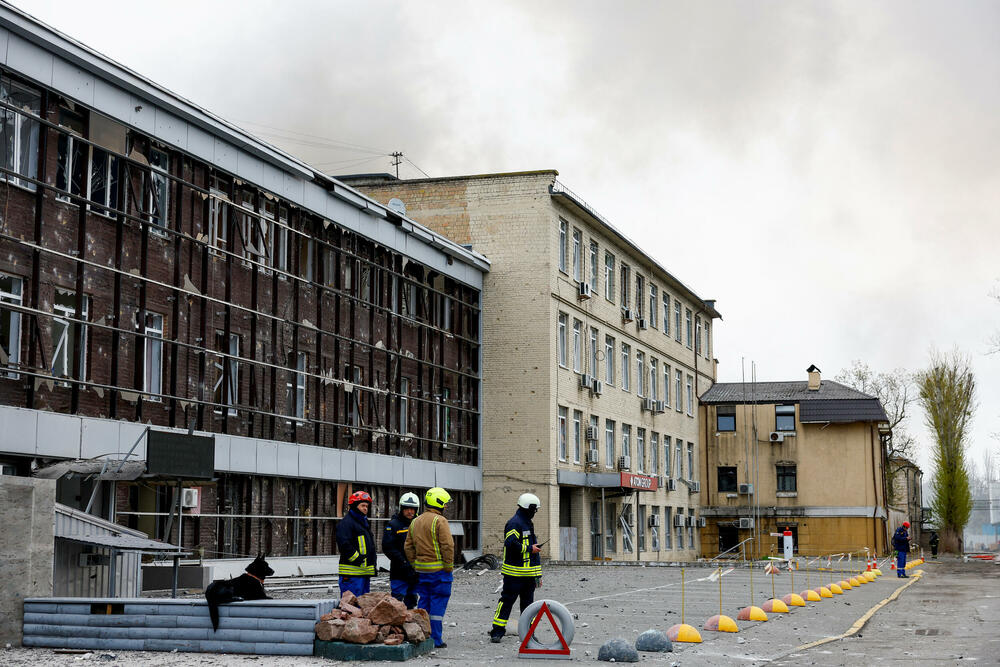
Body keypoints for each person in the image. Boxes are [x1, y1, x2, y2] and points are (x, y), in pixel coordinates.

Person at [404, 487, 454, 648]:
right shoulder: (440, 521)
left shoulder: (415, 521)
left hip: (421, 572)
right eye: (445, 504)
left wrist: (415, 564)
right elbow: (447, 545)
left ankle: (423, 635)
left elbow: (408, 547)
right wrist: (448, 566)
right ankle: (436, 639)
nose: (446, 507)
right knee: (437, 606)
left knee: (424, 604)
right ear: (438, 503)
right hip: (439, 573)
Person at [489, 492, 542, 643]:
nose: (535, 513)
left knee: (528, 606)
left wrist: (538, 576)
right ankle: (497, 631)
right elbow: (510, 544)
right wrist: (529, 549)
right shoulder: (515, 523)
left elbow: (533, 555)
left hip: (529, 575)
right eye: (534, 510)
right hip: (514, 575)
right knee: (506, 603)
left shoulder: (526, 522)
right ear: (528, 508)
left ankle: (529, 634)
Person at [383, 492, 421, 608]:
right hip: (399, 572)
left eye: (412, 509)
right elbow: (388, 548)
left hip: (415, 572)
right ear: (401, 508)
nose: (410, 512)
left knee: (412, 601)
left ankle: (409, 625)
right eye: (407, 509)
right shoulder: (393, 525)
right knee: (396, 604)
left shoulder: (419, 524)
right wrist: (404, 563)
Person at [337, 490, 376, 597]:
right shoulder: (347, 523)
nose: (365, 509)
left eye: (367, 506)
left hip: (363, 573)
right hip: (351, 574)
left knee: (363, 606)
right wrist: (357, 558)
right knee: (351, 606)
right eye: (363, 505)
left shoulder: (362, 523)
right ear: (354, 506)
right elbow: (344, 544)